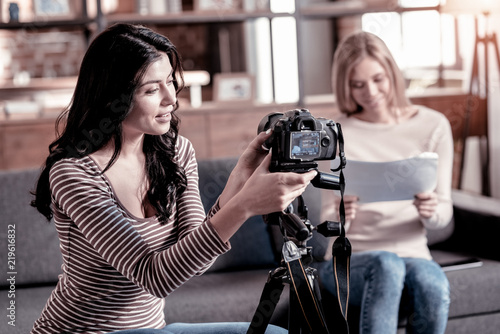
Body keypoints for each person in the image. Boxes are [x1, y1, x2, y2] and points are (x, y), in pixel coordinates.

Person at [30, 23, 317, 334]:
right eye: (152, 89)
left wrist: (238, 182)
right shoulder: (74, 173)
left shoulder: (175, 152)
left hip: (150, 329)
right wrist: (243, 207)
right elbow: (155, 277)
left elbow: (195, 258)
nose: (171, 99)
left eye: (169, 81)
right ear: (112, 96)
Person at [319, 31, 453, 334]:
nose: (371, 91)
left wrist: (430, 211)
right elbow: (325, 222)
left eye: (378, 79)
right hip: (350, 259)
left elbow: (444, 213)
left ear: (392, 73)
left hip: (414, 253)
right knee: (387, 264)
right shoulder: (336, 133)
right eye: (358, 84)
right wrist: (342, 217)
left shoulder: (433, 126)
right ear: (346, 86)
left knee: (433, 285)